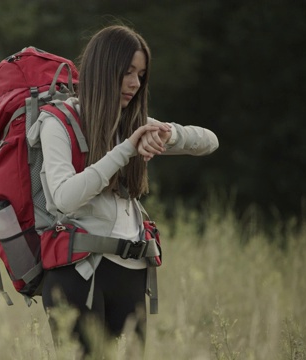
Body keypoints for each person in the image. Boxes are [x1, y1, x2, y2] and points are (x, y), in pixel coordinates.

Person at [36, 25, 219, 356]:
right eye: (127, 72)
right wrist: (125, 150)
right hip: (79, 273)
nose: (135, 83)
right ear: (104, 69)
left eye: (141, 74)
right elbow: (63, 198)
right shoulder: (59, 122)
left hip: (133, 273)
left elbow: (209, 141)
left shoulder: (134, 123)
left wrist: (164, 133)